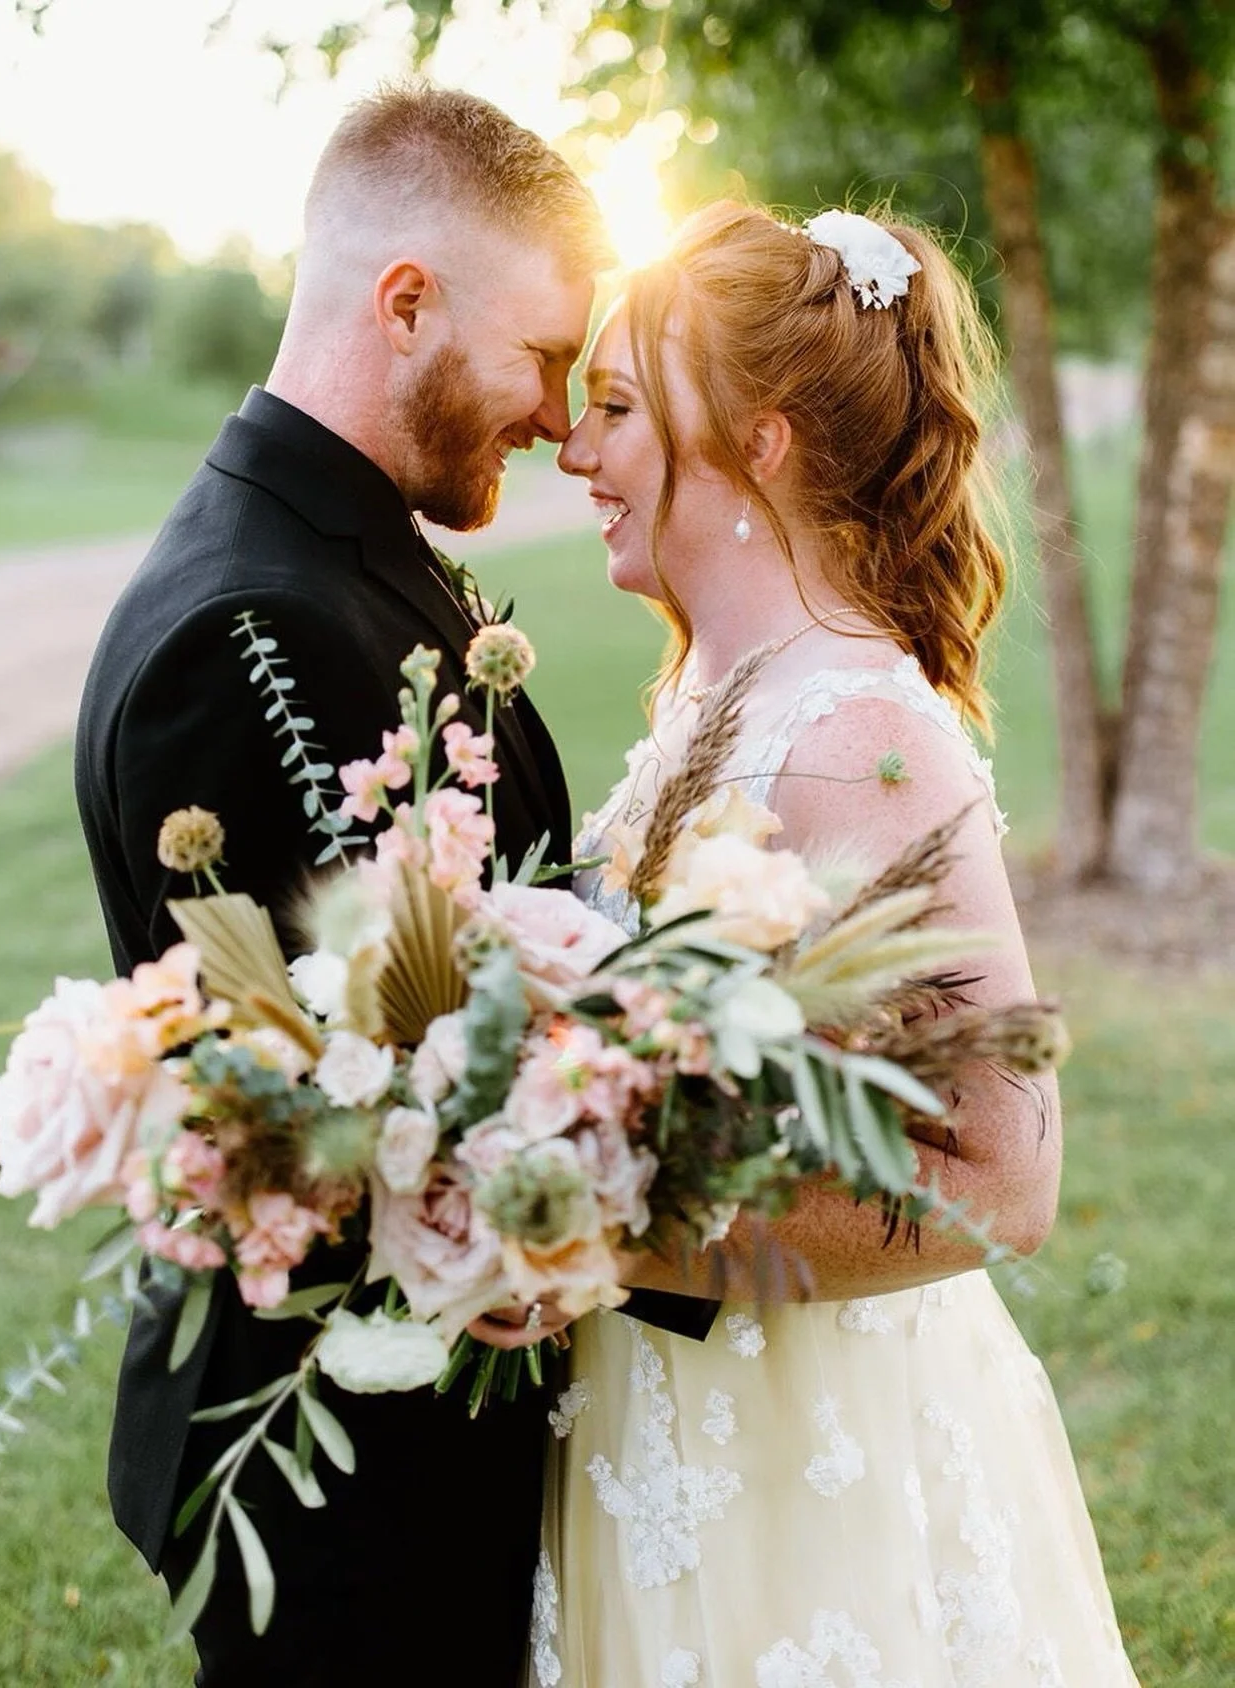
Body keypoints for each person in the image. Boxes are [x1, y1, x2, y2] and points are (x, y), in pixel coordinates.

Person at [75, 84, 712, 1687]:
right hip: (351, 1457)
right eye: (545, 357)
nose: (561, 417)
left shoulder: (348, 550)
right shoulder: (253, 632)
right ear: (406, 302)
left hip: (421, 1411)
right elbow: (336, 1113)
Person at [534, 202, 1139, 1685]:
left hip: (805, 1454)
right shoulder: (705, 695)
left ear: (762, 442)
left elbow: (1001, 1177)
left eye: (613, 410)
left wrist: (598, 1215)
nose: (573, 454)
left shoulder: (856, 738)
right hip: (654, 1411)